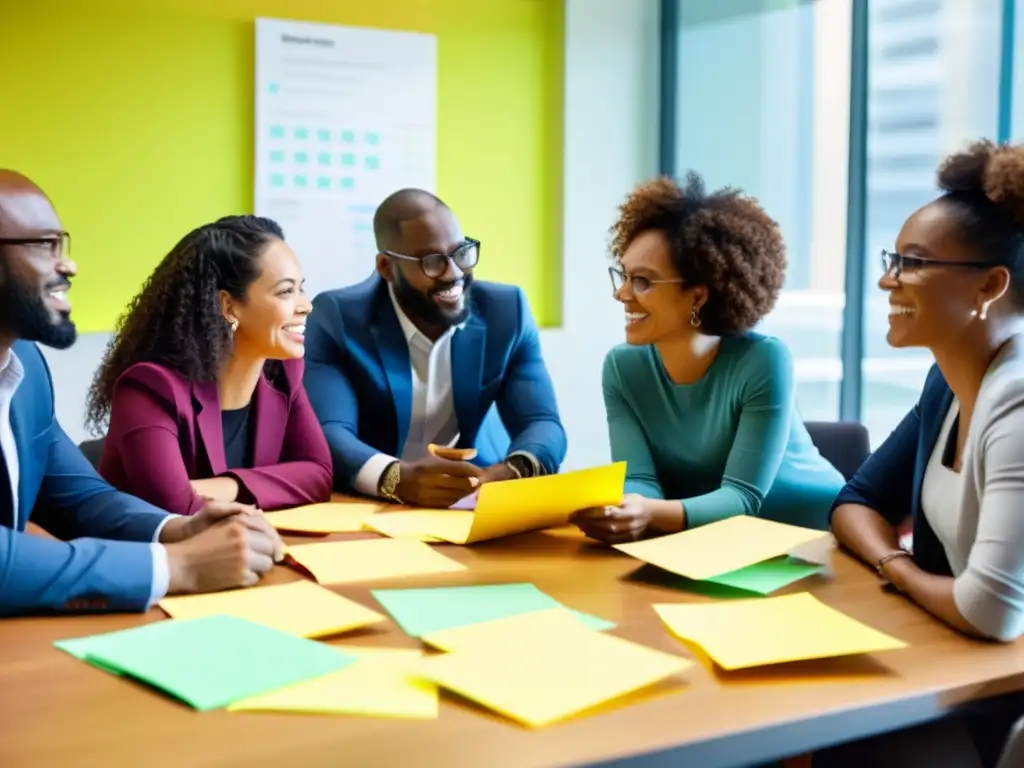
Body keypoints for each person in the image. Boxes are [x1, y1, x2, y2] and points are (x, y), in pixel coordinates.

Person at [818, 139, 1024, 768]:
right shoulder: (947, 383)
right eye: (893, 259)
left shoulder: (1017, 401)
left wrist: (897, 573)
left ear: (988, 285)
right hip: (953, 664)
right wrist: (893, 559)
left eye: (912, 262)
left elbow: (989, 612)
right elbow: (854, 501)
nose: (887, 279)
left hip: (1001, 701)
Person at [0, 170, 285, 616]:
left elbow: (79, 497)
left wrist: (178, 529)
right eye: (43, 245)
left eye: (62, 245)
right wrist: (176, 565)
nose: (69, 265)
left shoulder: (26, 367)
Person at [570, 172, 844, 544]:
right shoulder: (622, 368)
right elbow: (640, 479)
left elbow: (743, 497)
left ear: (697, 297)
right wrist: (631, 510)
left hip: (806, 537)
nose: (621, 294)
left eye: (642, 281)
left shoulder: (764, 360)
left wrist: (649, 513)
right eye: (622, 276)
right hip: (704, 542)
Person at [304, 188, 566, 508]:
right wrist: (396, 478)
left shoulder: (506, 311)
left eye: (461, 253)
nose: (453, 274)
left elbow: (542, 422)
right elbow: (329, 433)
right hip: (374, 502)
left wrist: (517, 468)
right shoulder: (338, 318)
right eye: (432, 261)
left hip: (475, 491)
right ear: (387, 267)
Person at [86, 215, 333, 516]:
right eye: (285, 291)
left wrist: (222, 487)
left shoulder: (283, 372)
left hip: (247, 549)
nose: (306, 305)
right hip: (156, 558)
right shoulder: (149, 387)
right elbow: (176, 508)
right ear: (228, 307)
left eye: (301, 288)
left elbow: (319, 475)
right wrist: (260, 489)